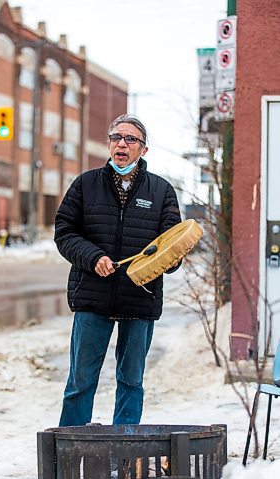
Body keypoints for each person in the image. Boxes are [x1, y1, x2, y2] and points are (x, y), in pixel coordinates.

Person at [54, 114, 181, 426]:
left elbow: (173, 245)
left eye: (130, 139)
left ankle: (124, 456)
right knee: (80, 382)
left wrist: (168, 259)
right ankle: (71, 451)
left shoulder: (161, 191)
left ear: (144, 150)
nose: (121, 144)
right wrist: (92, 257)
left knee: (131, 381)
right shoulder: (85, 185)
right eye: (116, 138)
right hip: (92, 297)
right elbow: (64, 232)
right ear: (108, 144)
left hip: (140, 299)